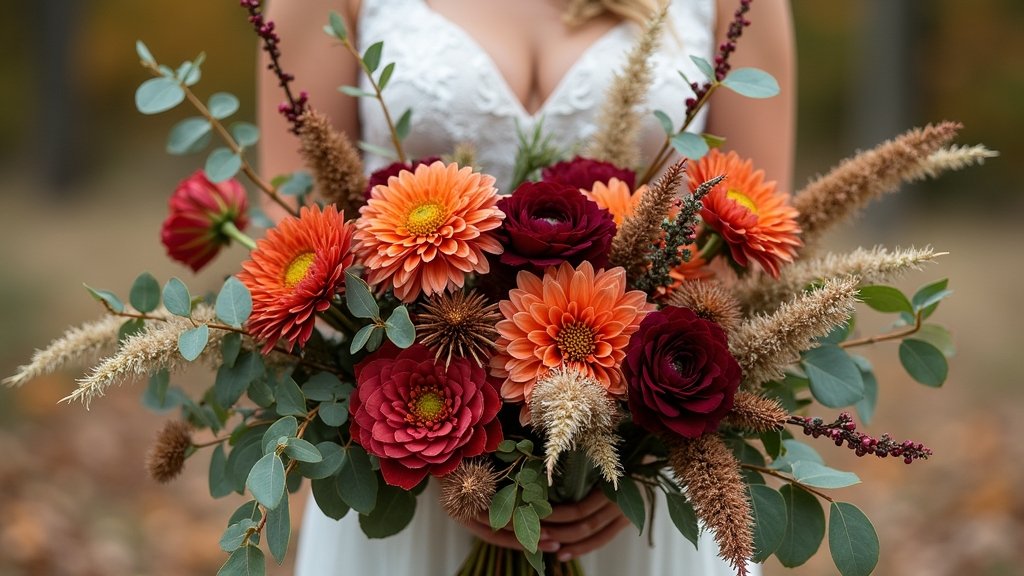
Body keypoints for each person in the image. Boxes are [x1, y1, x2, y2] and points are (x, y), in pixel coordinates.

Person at [257, 0, 795, 573]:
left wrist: (641, 447)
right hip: (413, 468)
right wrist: (427, 444)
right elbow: (294, 238)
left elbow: (758, 242)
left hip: (639, 487)